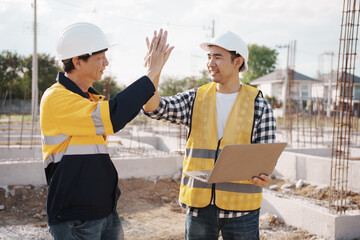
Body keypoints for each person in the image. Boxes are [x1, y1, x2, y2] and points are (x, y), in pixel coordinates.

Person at [40, 22, 173, 240]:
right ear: (77, 61)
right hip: (76, 218)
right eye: (100, 58)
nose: (106, 63)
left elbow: (124, 108)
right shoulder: (57, 98)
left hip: (105, 212)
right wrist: (150, 72)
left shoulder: (89, 99)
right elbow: (114, 115)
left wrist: (154, 73)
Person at [143, 31, 276, 239]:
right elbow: (154, 108)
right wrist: (154, 71)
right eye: (209, 57)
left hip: (241, 209)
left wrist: (264, 176)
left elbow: (265, 158)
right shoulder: (195, 98)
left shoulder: (259, 105)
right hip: (199, 206)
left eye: (218, 57)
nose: (210, 63)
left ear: (237, 62)